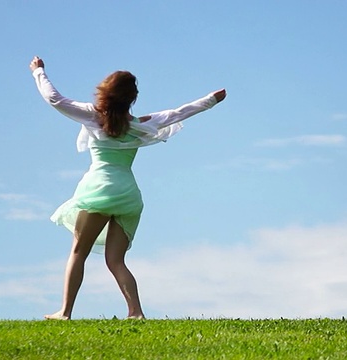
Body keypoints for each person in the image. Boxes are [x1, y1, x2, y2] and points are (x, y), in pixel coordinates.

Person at [29, 56, 226, 320]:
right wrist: (210, 100)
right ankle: (136, 312)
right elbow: (179, 113)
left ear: (105, 92)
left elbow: (55, 99)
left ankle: (65, 312)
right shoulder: (140, 125)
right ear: (131, 99)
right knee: (116, 260)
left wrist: (39, 71)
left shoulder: (92, 116)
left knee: (78, 252)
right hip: (128, 195)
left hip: (98, 190)